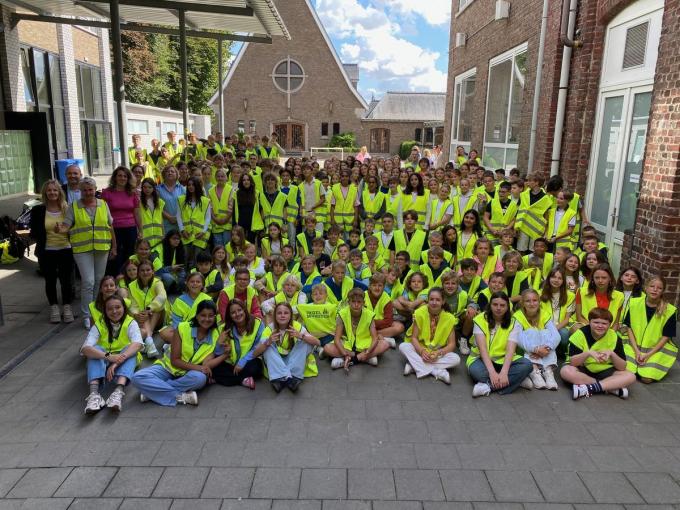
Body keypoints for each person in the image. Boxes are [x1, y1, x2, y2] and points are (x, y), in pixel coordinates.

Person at [132, 300, 225, 406]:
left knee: (200, 379)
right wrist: (200, 368)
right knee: (137, 377)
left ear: (215, 317)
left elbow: (207, 363)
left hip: (189, 373)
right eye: (203, 315)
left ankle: (153, 391)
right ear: (197, 316)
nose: (207, 319)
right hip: (167, 367)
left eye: (211, 316)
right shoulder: (182, 327)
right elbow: (175, 361)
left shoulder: (216, 335)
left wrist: (224, 353)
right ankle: (181, 396)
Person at [57, 177, 116, 329]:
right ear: (80, 191)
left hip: (102, 247)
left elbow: (110, 226)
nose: (88, 192)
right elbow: (66, 226)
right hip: (82, 249)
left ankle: (97, 310)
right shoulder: (74, 207)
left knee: (98, 280)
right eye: (84, 190)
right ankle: (87, 315)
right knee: (88, 282)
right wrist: (60, 229)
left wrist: (114, 246)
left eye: (90, 190)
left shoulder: (103, 204)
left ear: (95, 190)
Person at [81, 295, 143, 414]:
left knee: (130, 351)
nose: (114, 311)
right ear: (105, 311)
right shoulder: (99, 324)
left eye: (118, 307)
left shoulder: (131, 322)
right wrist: (108, 357)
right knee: (94, 350)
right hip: (105, 360)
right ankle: (94, 395)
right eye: (110, 309)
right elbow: (85, 348)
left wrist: (116, 362)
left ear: (124, 308)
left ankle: (118, 392)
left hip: (123, 361)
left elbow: (138, 344)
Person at [467, 292, 533, 397]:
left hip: (503, 360)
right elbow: (483, 350)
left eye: (502, 305)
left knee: (527, 365)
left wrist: (504, 372)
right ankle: (516, 380)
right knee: (478, 373)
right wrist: (492, 372)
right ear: (490, 305)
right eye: (495, 304)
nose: (498, 308)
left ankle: (488, 387)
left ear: (507, 307)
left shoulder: (514, 323)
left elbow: (510, 350)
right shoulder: (480, 319)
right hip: (480, 359)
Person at [561, 307, 636, 400]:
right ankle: (610, 387)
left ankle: (589, 387)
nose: (600, 326)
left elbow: (622, 367)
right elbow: (573, 363)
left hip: (605, 369)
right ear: (589, 322)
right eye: (596, 322)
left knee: (630, 376)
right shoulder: (579, 334)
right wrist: (588, 353)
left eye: (604, 323)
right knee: (566, 371)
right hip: (583, 368)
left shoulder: (614, 336)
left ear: (609, 325)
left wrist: (612, 354)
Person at [30, 180, 75, 324]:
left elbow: (75, 229)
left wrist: (63, 229)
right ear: (45, 193)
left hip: (66, 249)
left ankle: (67, 307)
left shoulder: (67, 208)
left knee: (66, 281)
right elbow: (33, 232)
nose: (52, 193)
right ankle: (54, 308)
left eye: (55, 190)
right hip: (46, 251)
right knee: (50, 281)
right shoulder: (38, 210)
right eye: (49, 190)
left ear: (59, 192)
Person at [400, 287, 460, 383]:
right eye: (431, 299)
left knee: (456, 359)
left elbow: (452, 344)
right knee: (403, 346)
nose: (434, 302)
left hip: (435, 353)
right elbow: (414, 338)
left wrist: (439, 353)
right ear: (428, 300)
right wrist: (421, 351)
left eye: (438, 300)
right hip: (419, 349)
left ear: (443, 301)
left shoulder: (449, 318)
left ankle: (414, 365)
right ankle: (436, 372)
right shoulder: (419, 312)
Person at [623, 276, 677, 383]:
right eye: (652, 286)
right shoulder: (634, 303)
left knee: (646, 379)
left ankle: (642, 369)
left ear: (663, 291)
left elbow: (666, 337)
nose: (655, 290)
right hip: (633, 345)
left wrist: (648, 355)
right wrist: (637, 351)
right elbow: (629, 328)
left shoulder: (670, 310)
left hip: (655, 349)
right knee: (628, 372)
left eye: (659, 288)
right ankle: (636, 367)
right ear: (646, 288)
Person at [258, 302, 320, 393]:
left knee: (306, 342)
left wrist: (301, 336)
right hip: (277, 362)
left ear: (290, 315)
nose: (282, 315)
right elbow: (257, 352)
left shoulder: (296, 325)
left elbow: (317, 342)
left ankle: (282, 377)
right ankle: (290, 378)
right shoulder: (270, 328)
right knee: (267, 345)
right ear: (275, 316)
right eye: (279, 313)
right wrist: (268, 342)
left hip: (293, 361)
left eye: (286, 313)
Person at [324, 288, 390, 371]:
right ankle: (366, 358)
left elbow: (374, 338)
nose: (356, 304)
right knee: (327, 348)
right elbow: (337, 339)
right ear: (348, 302)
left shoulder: (369, 315)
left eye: (359, 302)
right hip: (347, 345)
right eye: (353, 301)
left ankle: (350, 360)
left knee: (385, 344)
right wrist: (345, 354)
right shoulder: (342, 314)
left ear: (363, 303)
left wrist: (368, 352)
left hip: (364, 345)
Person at [212, 299, 265, 389]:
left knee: (256, 368)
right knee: (216, 368)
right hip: (231, 364)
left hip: (249, 361)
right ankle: (243, 380)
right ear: (229, 315)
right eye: (233, 313)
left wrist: (243, 361)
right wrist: (219, 343)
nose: (237, 314)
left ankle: (222, 379)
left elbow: (258, 347)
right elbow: (217, 353)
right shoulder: (223, 328)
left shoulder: (258, 323)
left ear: (244, 310)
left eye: (239, 310)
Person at [513, 289, 561, 390]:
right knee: (531, 331)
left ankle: (548, 370)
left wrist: (547, 348)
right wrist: (536, 349)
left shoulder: (544, 313)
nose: (532, 304)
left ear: (539, 302)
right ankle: (534, 370)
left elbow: (556, 335)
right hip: (524, 350)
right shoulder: (517, 316)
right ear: (522, 303)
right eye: (528, 301)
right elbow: (519, 338)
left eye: (535, 300)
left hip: (543, 350)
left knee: (547, 333)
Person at [101, 166, 142, 275]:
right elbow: (103, 214)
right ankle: (115, 279)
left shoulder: (132, 193)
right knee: (115, 256)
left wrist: (140, 230)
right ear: (115, 177)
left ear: (128, 178)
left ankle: (129, 278)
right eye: (119, 175)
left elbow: (137, 213)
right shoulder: (107, 193)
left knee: (130, 256)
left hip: (130, 229)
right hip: (114, 230)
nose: (122, 178)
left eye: (125, 176)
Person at [178, 176, 211, 268]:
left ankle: (196, 275)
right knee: (185, 258)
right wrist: (182, 230)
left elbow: (208, 218)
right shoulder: (181, 200)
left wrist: (203, 231)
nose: (191, 187)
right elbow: (179, 216)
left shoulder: (205, 201)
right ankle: (184, 274)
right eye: (189, 185)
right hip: (186, 234)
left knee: (197, 260)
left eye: (193, 185)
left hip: (199, 234)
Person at [539, 266, 575, 351]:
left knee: (564, 334)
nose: (556, 280)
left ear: (563, 281)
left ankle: (561, 354)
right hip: (543, 326)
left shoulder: (570, 296)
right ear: (549, 278)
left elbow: (566, 319)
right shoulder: (539, 294)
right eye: (554, 277)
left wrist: (553, 330)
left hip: (561, 326)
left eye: (560, 278)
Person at [157, 166, 186, 233]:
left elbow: (186, 205)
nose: (170, 173)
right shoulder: (158, 189)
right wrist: (169, 217)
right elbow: (156, 206)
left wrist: (178, 217)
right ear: (164, 174)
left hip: (181, 224)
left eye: (172, 171)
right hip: (164, 224)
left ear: (176, 174)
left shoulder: (182, 189)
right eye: (167, 171)